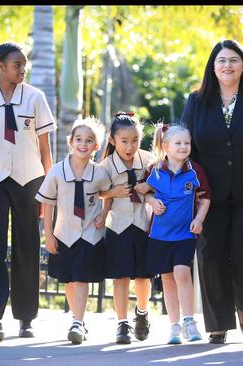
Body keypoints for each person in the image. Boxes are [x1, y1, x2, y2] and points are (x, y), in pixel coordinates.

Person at [181, 39, 243, 343]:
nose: (227, 66)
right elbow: (187, 147)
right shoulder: (197, 101)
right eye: (221, 60)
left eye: (233, 60)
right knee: (210, 255)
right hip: (207, 195)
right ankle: (218, 323)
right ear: (213, 66)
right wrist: (190, 188)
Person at [0, 42, 56, 341]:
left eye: (25, 64)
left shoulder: (35, 98)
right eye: (17, 64)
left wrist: (47, 191)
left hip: (29, 180)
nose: (23, 68)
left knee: (27, 246)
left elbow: (46, 148)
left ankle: (26, 317)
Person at [36, 118, 111, 345]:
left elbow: (109, 194)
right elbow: (47, 204)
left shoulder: (99, 173)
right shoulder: (57, 172)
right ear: (70, 142)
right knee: (68, 279)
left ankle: (77, 322)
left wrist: (103, 214)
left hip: (89, 234)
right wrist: (48, 234)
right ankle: (76, 319)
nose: (83, 144)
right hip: (64, 233)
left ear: (96, 147)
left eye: (89, 141)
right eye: (79, 139)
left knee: (80, 277)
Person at [144, 124, 211, 345]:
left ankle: (189, 320)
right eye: (178, 143)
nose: (183, 147)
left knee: (182, 273)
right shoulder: (154, 170)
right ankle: (174, 325)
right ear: (165, 146)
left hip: (185, 234)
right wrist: (152, 202)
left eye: (187, 143)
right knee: (167, 279)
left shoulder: (195, 170)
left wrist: (199, 220)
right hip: (159, 235)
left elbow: (205, 198)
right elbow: (143, 193)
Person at [98, 112, 154, 344]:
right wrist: (112, 192)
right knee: (120, 278)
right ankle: (122, 324)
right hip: (118, 226)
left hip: (143, 225)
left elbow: (159, 186)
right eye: (124, 141)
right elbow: (97, 192)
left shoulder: (150, 160)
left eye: (135, 141)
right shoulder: (105, 166)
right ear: (112, 140)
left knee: (142, 277)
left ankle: (142, 313)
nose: (130, 147)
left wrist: (147, 186)